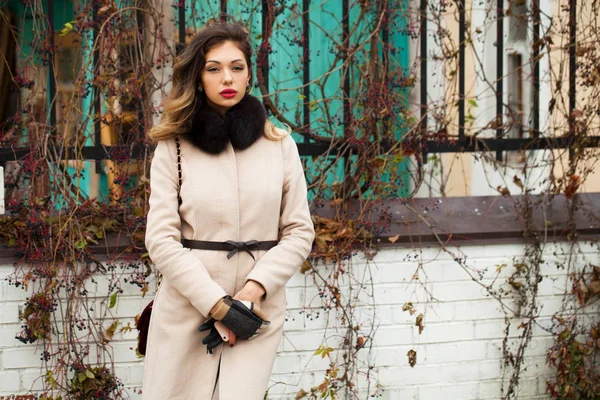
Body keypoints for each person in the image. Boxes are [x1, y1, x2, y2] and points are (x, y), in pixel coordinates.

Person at [142, 22, 315, 400]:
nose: (227, 78)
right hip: (188, 310)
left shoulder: (279, 144)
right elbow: (160, 239)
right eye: (214, 67)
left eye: (237, 67)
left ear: (249, 74)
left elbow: (300, 231)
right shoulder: (173, 146)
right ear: (198, 76)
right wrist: (218, 305)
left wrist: (252, 293)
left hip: (256, 313)